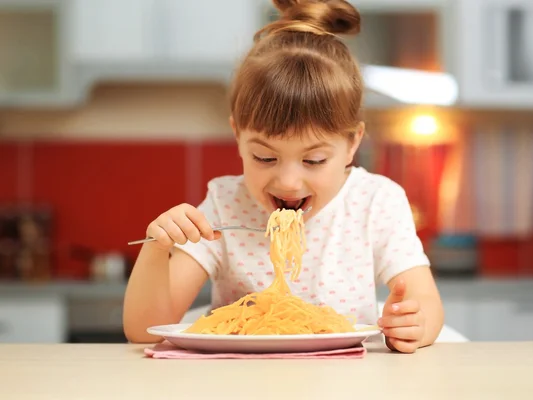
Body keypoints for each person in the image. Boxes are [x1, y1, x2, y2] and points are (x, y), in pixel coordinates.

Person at [123, 0, 444, 353]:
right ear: (238, 136)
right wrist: (157, 249)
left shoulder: (375, 201)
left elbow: (425, 303)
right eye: (265, 157)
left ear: (352, 144)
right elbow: (144, 331)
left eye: (315, 160)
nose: (288, 182)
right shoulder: (225, 204)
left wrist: (416, 323)